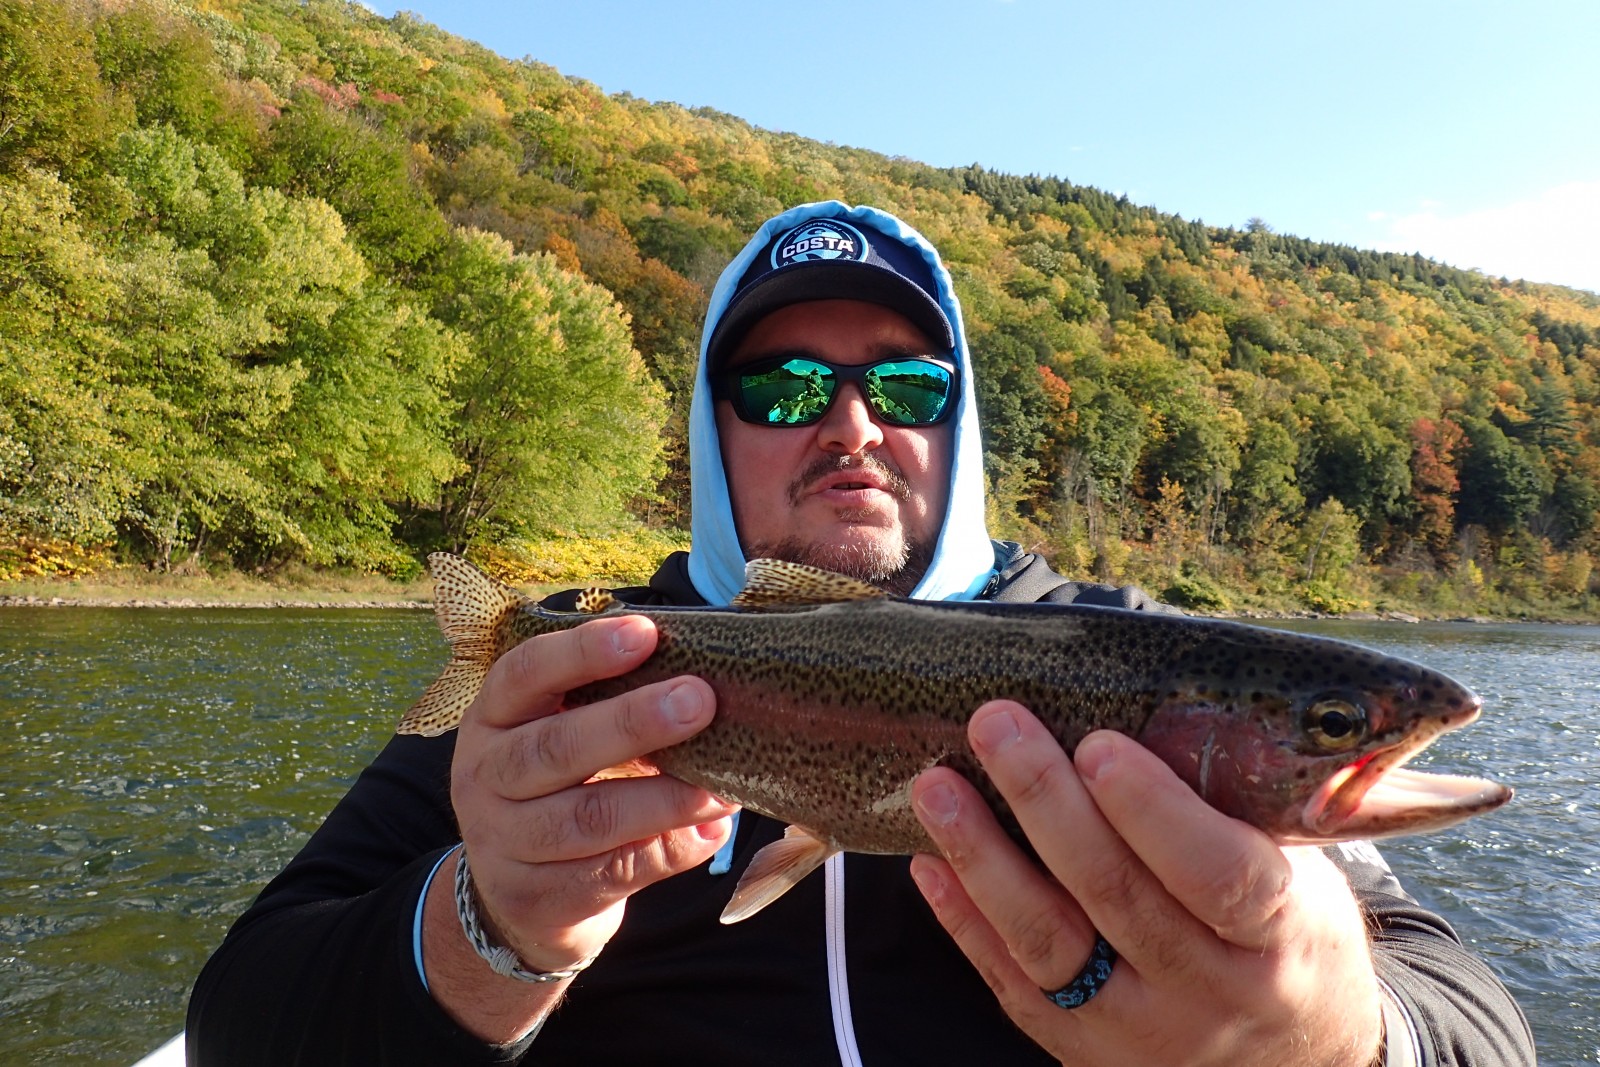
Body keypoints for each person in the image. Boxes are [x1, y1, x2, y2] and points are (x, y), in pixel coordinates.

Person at [188, 202, 1535, 1066]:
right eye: (780, 386)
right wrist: (486, 927)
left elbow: (1477, 1028)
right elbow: (240, 1025)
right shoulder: (585, 682)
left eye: (904, 381)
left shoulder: (1142, 659)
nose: (851, 425)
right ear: (711, 434)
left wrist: (1336, 1034)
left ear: (959, 421)